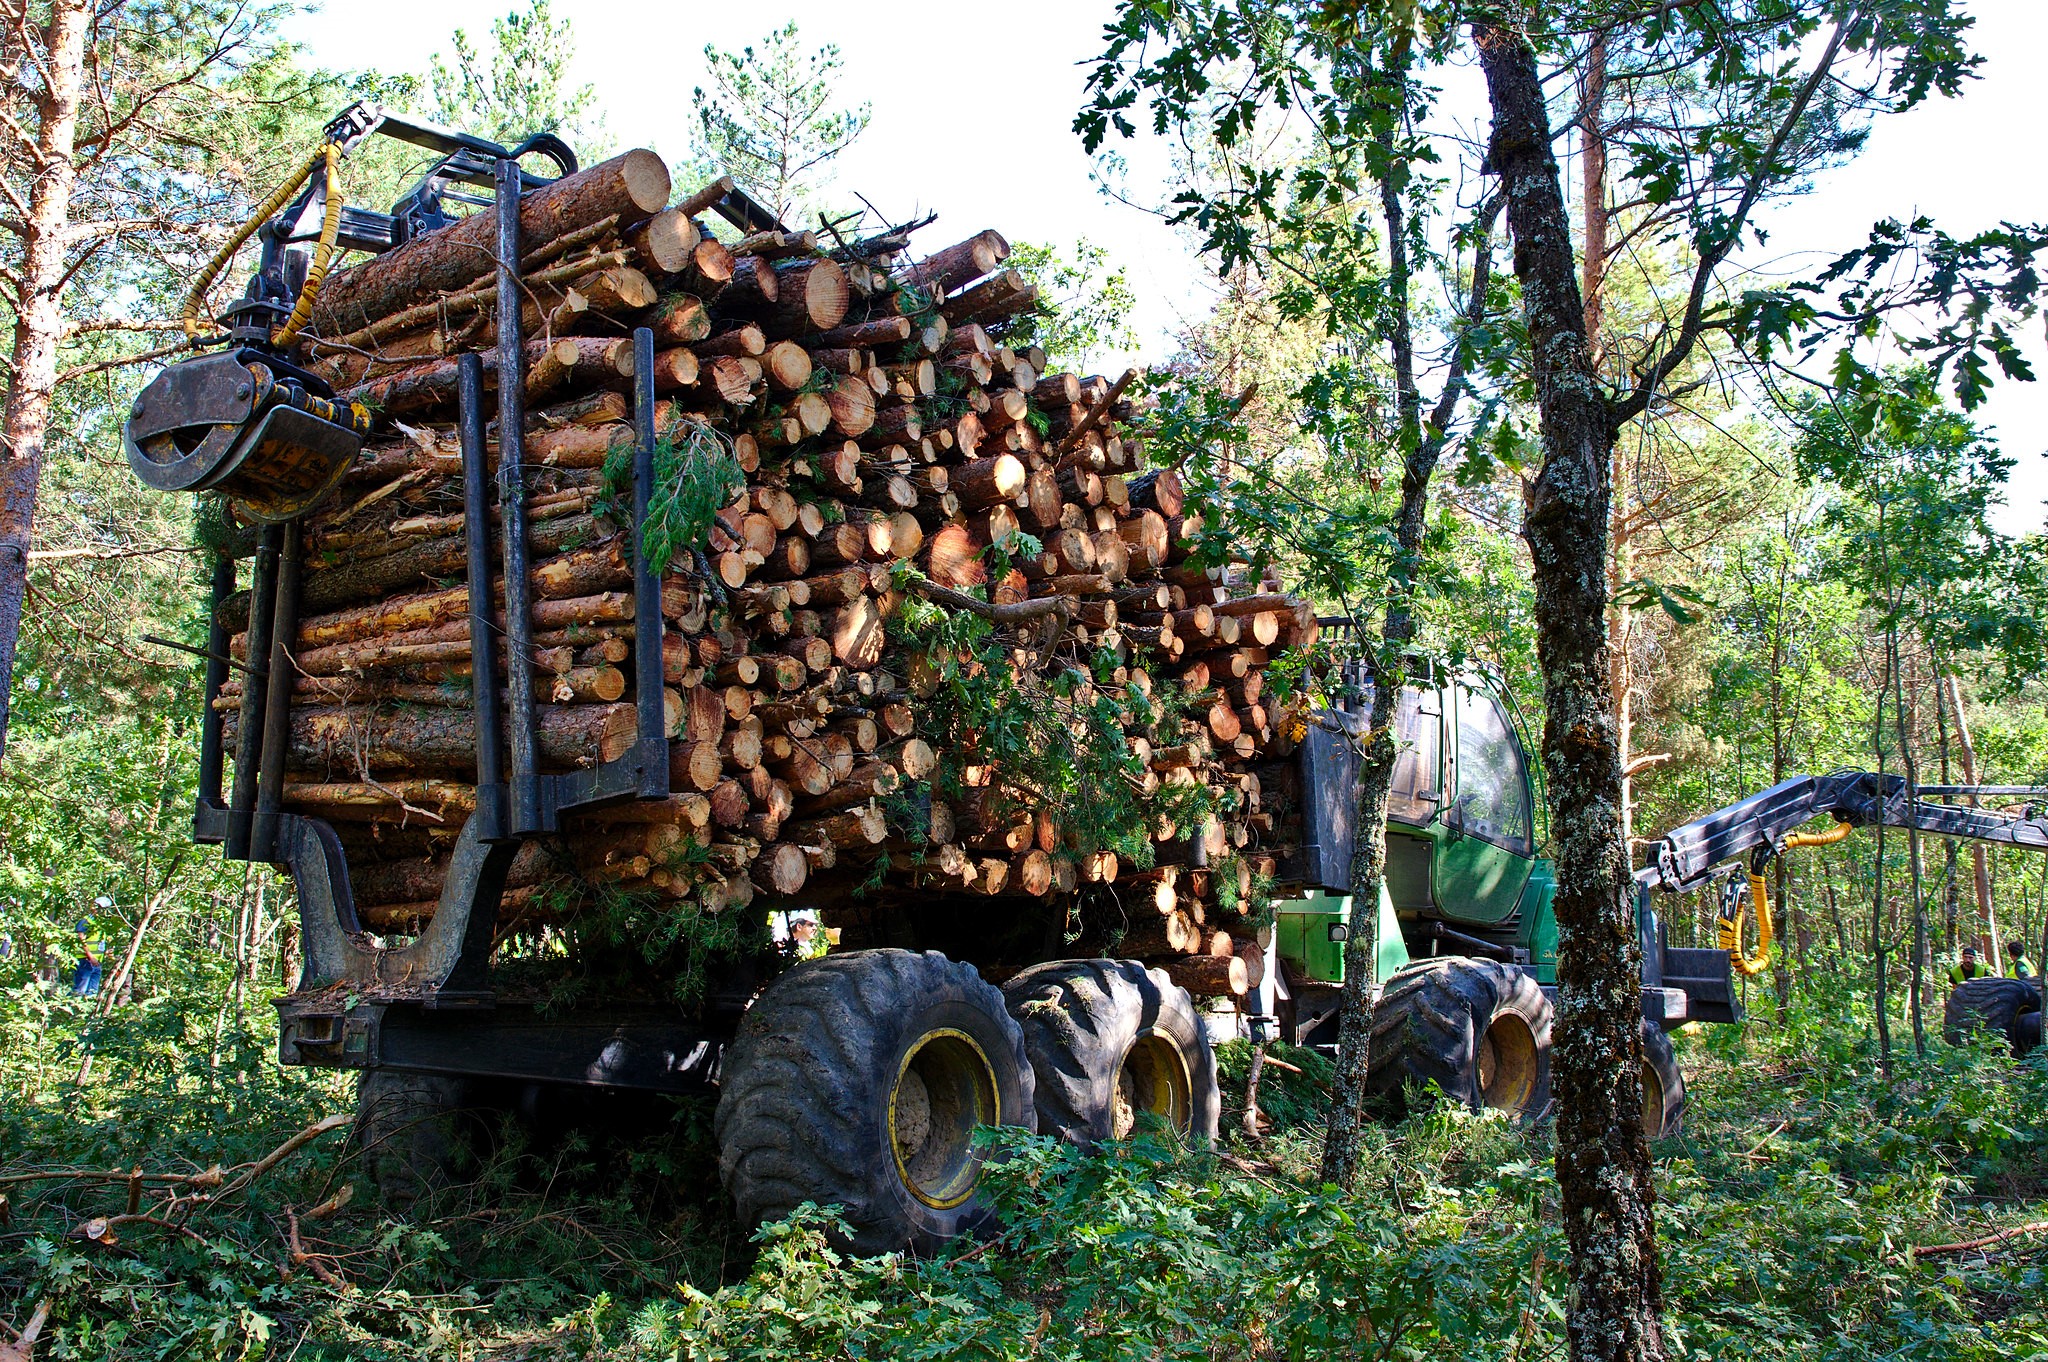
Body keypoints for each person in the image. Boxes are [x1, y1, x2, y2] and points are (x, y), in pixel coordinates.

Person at [71, 919, 103, 997]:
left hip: (97, 961)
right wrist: (90, 956)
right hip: (85, 960)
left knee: (92, 991)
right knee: (80, 990)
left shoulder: (102, 921)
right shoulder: (86, 921)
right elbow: (80, 938)